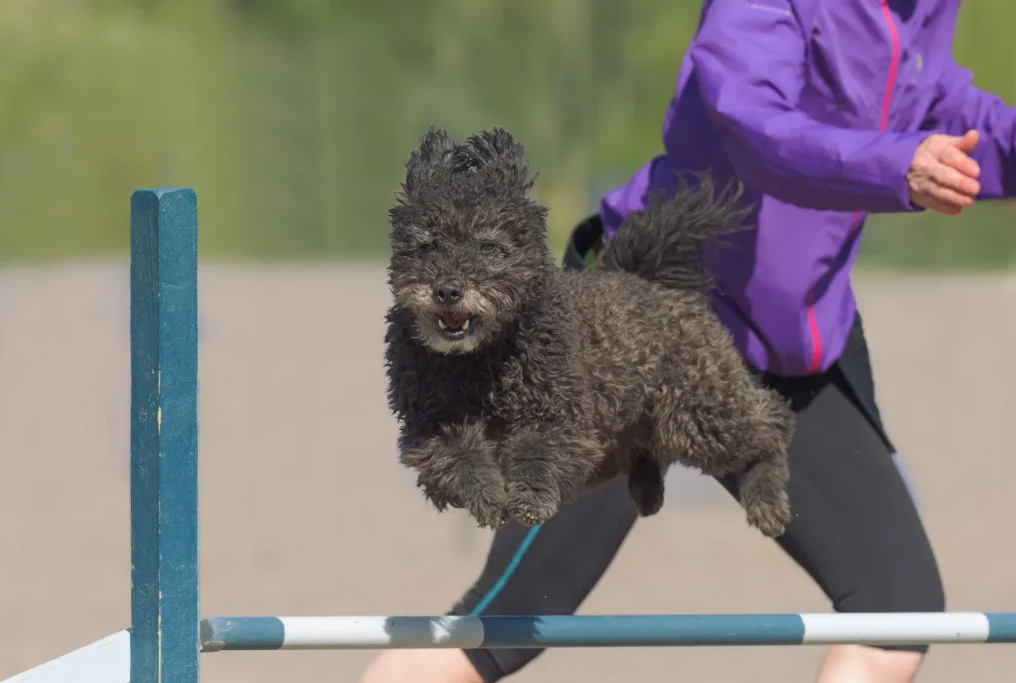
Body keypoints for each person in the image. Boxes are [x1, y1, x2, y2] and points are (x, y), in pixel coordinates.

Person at [360, 0, 1016, 681]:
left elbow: (945, 107)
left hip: (785, 350)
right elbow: (759, 131)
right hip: (640, 326)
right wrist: (896, 165)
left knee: (898, 612)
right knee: (500, 628)